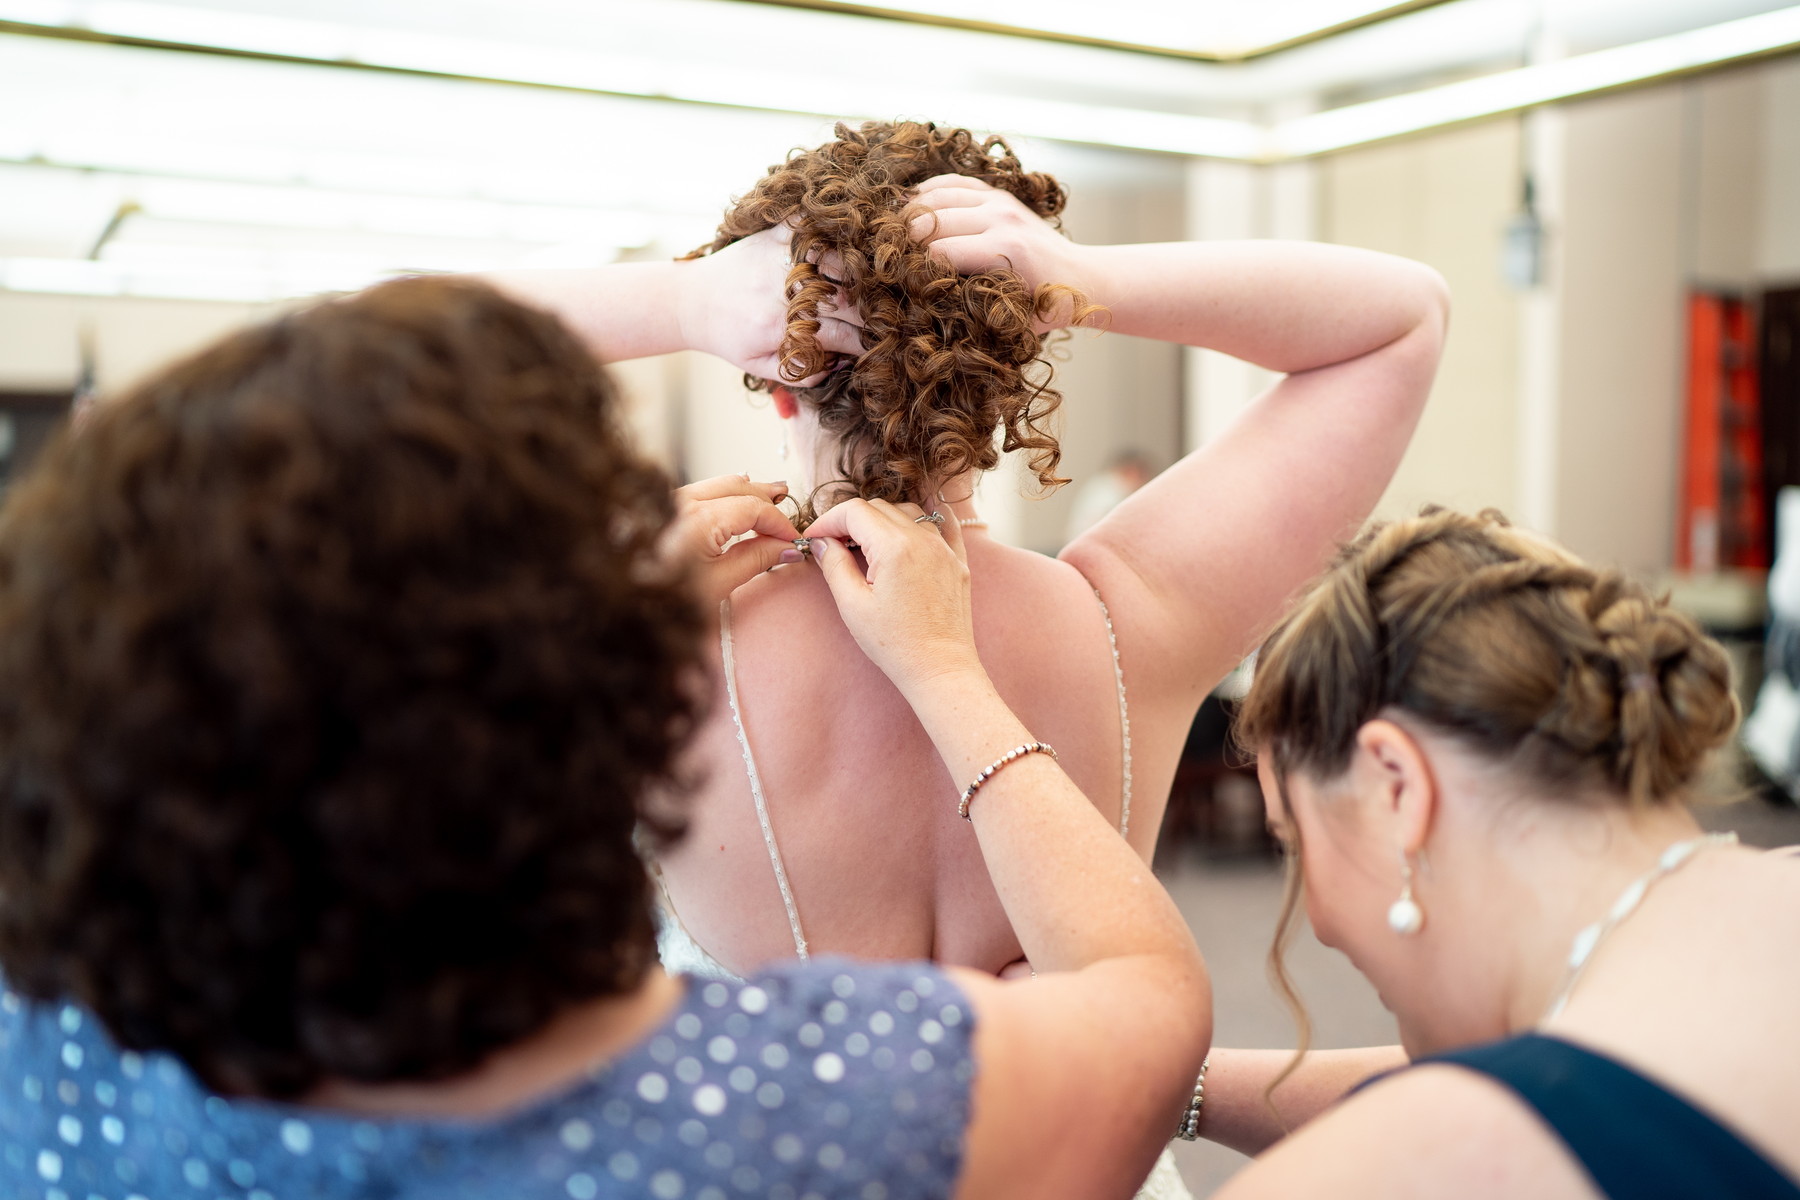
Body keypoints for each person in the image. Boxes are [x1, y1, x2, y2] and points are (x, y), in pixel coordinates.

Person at [0, 275, 1208, 1199]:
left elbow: (286, 399)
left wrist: (681, 300)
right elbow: (1145, 1003)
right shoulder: (815, 1105)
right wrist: (946, 674)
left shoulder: (57, 1077)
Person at [495, 121, 1449, 991]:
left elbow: (352, 376)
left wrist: (679, 299)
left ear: (774, 383)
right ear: (1005, 376)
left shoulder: (650, 631)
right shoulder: (1123, 622)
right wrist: (1083, 276)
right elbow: (1401, 318)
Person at [1190, 507, 1800, 1198]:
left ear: (1397, 788)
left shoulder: (1433, 1159)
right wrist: (1190, 1088)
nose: (1319, 926)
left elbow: (1488, 1112)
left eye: (1294, 844)